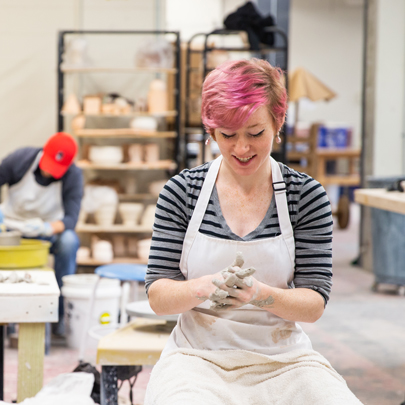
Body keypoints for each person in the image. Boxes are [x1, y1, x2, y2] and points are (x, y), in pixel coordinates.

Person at [144, 59, 362, 404]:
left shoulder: (304, 195)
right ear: (211, 130)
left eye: (255, 133)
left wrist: (260, 294)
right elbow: (158, 296)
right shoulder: (182, 192)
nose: (242, 149)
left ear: (278, 122)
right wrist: (204, 287)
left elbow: (314, 304)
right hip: (197, 358)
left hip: (283, 359)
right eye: (227, 136)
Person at [0, 132, 83, 336]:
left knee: (69, 241)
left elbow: (71, 219)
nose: (51, 172)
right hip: (13, 227)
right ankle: (6, 314)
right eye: (49, 165)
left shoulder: (73, 175)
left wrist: (46, 228)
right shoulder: (19, 160)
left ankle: (59, 315)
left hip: (47, 230)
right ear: (43, 152)